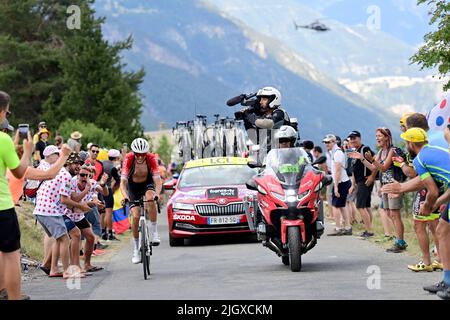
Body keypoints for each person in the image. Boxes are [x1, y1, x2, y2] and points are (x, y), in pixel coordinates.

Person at [382, 127, 450, 299]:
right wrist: (435, 204)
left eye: (406, 142)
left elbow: (432, 190)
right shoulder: (436, 150)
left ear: (411, 144)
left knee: (443, 232)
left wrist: (428, 205)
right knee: (442, 231)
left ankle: (449, 284)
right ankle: (447, 281)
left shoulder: (419, 159)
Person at [353, 128, 407, 252]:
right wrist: (362, 158)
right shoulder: (380, 152)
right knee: (389, 213)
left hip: (394, 185)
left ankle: (400, 242)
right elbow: (373, 167)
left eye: (380, 136)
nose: (377, 138)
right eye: (376, 136)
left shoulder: (391, 151)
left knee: (395, 214)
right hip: (385, 186)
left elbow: (383, 168)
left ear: (387, 137)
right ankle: (398, 240)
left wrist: (372, 159)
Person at [120, 138, 162, 264]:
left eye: (142, 154)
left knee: (150, 199)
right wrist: (125, 196)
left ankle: (155, 233)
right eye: (137, 154)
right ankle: (135, 249)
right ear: (133, 153)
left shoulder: (151, 158)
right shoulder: (128, 158)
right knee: (136, 215)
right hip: (132, 187)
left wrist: (157, 194)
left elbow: (158, 181)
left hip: (147, 183)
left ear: (146, 153)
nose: (139, 157)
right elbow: (123, 183)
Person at [347, 130, 377, 238]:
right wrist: (353, 184)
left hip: (365, 181)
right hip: (359, 181)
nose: (352, 140)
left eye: (354, 138)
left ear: (360, 138)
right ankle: (368, 229)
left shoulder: (365, 149)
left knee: (360, 206)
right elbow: (354, 170)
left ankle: (369, 231)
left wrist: (372, 176)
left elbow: (374, 164)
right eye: (351, 138)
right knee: (366, 206)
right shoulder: (355, 151)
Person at [323, 134, 352, 236]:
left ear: (334, 142)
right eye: (325, 142)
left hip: (341, 182)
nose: (326, 144)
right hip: (341, 181)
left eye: (329, 142)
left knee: (335, 205)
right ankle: (347, 227)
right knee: (341, 205)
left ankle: (338, 228)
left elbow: (338, 170)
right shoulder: (334, 152)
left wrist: (336, 187)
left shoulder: (337, 153)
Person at [101, 149, 121, 241]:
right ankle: (109, 233)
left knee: (102, 212)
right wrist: (113, 189)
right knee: (109, 212)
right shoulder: (113, 167)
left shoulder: (102, 163)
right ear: (116, 157)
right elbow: (118, 180)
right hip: (107, 189)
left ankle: (102, 232)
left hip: (99, 189)